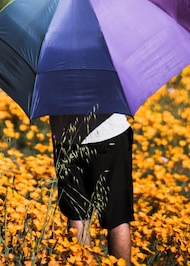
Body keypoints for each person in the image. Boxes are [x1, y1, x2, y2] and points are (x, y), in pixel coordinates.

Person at [50, 112, 133, 265]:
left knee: (77, 214)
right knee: (117, 215)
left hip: (66, 138)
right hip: (108, 134)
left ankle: (82, 261)